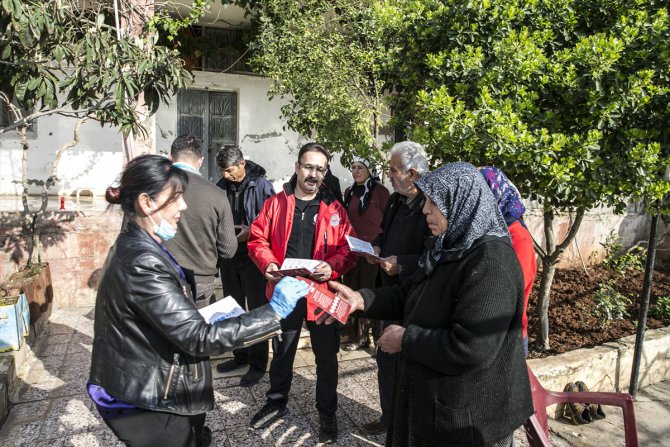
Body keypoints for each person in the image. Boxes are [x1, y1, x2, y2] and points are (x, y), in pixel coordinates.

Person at [88, 154, 308, 447]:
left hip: (154, 385)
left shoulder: (138, 243)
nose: (183, 206)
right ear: (146, 202)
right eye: (176, 197)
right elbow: (198, 338)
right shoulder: (141, 261)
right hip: (153, 402)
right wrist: (273, 312)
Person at [321, 162, 534, 447]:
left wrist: (406, 339)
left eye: (434, 203)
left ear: (462, 202)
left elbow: (471, 347)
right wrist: (362, 299)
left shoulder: (492, 262)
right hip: (438, 404)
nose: (425, 211)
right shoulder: (448, 246)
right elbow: (412, 293)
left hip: (469, 419)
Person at [246, 142, 357, 443]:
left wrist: (331, 267)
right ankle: (276, 401)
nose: (314, 174)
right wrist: (268, 264)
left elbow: (349, 249)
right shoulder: (276, 204)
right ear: (297, 167)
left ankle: (327, 411)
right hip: (286, 292)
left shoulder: (335, 209)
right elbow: (257, 239)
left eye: (320, 169)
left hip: (321, 295)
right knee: (282, 352)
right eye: (309, 166)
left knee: (326, 358)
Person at [363, 141, 431, 435]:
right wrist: (377, 246)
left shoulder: (431, 207)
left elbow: (435, 257)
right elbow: (384, 231)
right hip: (389, 294)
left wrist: (401, 263)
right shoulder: (394, 200)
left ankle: (411, 424)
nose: (388, 175)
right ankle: (389, 417)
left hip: (416, 300)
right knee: (386, 358)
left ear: (413, 174)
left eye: (392, 170)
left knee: (410, 365)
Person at [214, 145, 276, 386]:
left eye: (230, 171)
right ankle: (240, 355)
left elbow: (272, 222)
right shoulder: (220, 187)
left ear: (242, 164)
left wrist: (251, 232)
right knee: (233, 309)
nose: (226, 176)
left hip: (254, 260)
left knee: (257, 310)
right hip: (229, 258)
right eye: (222, 171)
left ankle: (259, 363)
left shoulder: (262, 186)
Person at [164, 135, 237, 309]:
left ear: (170, 157)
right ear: (201, 161)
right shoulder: (217, 194)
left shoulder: (153, 187)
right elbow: (228, 250)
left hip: (158, 279)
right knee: (198, 334)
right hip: (201, 284)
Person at [480, 166, 537, 356]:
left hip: (506, 338)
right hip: (486, 334)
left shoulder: (518, 237)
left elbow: (509, 293)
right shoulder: (487, 231)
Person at [341, 155, 390, 351]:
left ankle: (379, 338)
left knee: (371, 293)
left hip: (374, 251)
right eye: (353, 167)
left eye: (360, 167)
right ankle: (358, 337)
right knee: (353, 291)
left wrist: (380, 244)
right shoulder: (349, 192)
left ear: (369, 170)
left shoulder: (381, 192)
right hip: (354, 251)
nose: (356, 171)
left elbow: (388, 221)